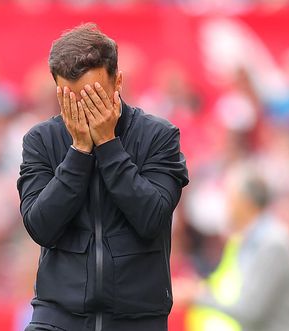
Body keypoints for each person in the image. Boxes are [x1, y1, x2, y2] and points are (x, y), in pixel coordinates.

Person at [16, 23, 189, 331]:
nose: (84, 109)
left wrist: (108, 146)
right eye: (71, 99)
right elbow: (40, 226)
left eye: (94, 96)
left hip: (138, 319)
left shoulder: (158, 137)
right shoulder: (41, 140)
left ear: (117, 81)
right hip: (57, 317)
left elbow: (151, 217)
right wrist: (79, 151)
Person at [185, 166, 289, 331]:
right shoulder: (247, 240)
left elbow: (250, 312)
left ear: (245, 202)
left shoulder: (272, 243)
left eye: (230, 198)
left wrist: (198, 294)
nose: (225, 205)